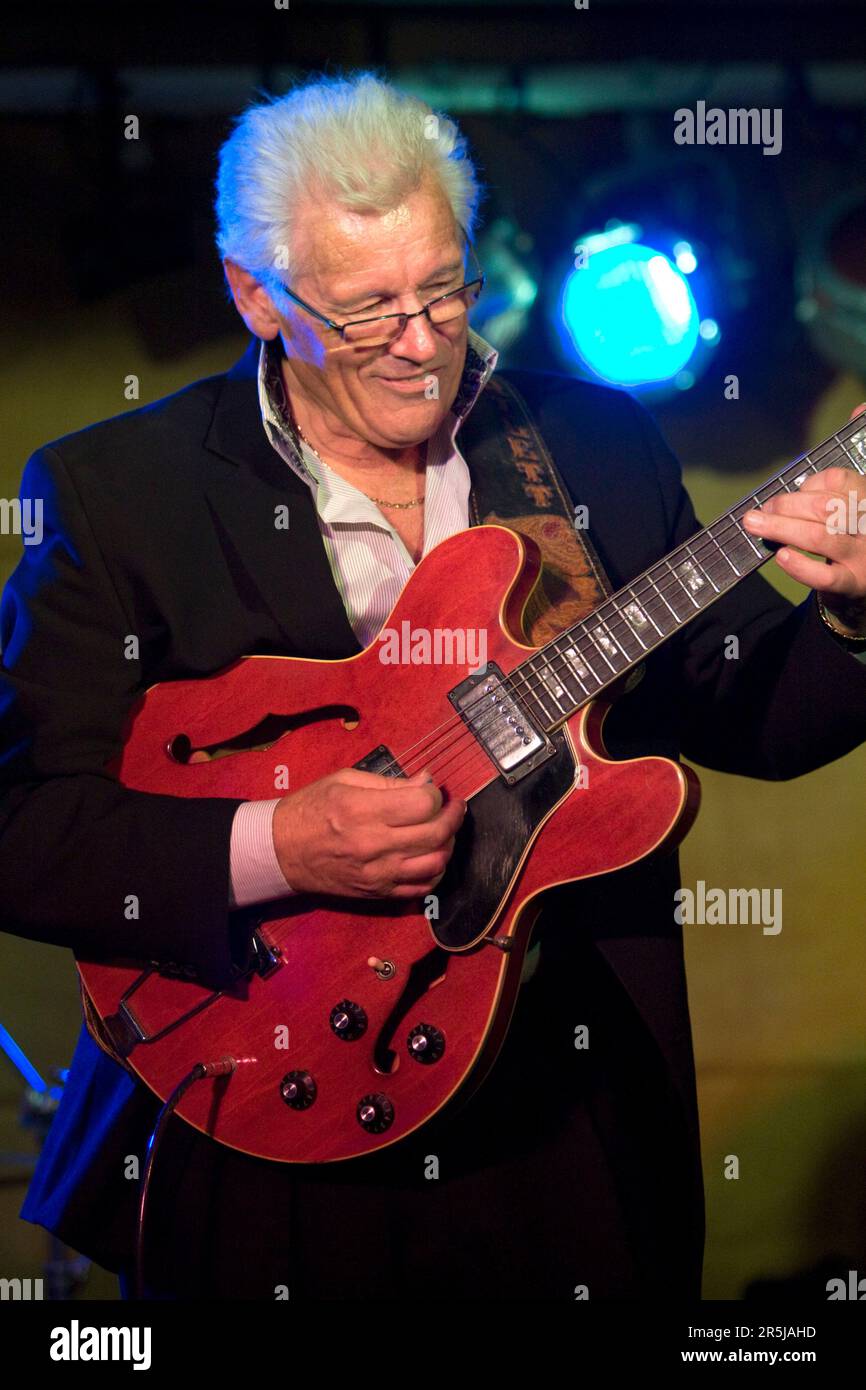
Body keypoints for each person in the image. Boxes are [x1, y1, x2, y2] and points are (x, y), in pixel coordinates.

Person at [3, 71, 866, 1302]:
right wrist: (279, 842)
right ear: (256, 292)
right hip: (264, 1116)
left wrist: (849, 614)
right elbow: (21, 824)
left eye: (443, 288)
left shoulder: (588, 444)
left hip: (567, 1121)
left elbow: (746, 711)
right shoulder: (115, 492)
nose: (421, 344)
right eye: (364, 311)